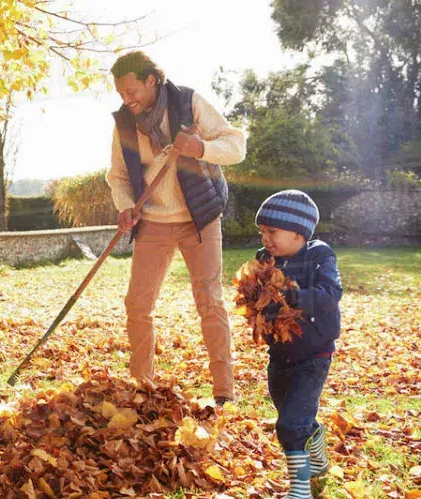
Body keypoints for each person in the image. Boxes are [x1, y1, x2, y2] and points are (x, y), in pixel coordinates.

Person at [106, 51, 245, 404]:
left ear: (152, 80)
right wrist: (125, 208)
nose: (127, 98)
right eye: (122, 93)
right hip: (153, 221)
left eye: (132, 90)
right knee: (138, 305)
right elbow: (118, 177)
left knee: (209, 301)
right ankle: (142, 388)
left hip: (199, 218)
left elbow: (236, 145)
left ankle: (225, 393)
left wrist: (200, 147)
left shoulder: (188, 102)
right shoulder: (124, 122)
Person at [253, 190, 342, 498]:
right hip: (279, 355)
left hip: (314, 354)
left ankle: (299, 491)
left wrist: (294, 297)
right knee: (293, 417)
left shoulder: (320, 255)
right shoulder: (265, 259)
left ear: (298, 232)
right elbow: (258, 295)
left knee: (290, 424)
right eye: (262, 231)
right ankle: (314, 440)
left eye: (272, 232)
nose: (265, 238)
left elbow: (331, 293)